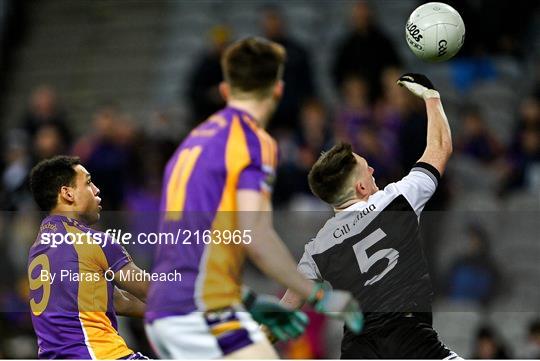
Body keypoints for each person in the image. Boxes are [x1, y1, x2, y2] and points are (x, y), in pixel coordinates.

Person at [144, 37, 362, 359]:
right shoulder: (252, 142)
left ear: (224, 90)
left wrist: (248, 300)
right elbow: (256, 236)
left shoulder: (191, 143)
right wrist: (319, 297)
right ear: (278, 89)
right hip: (200, 311)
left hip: (166, 308)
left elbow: (188, 243)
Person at [281, 74, 460, 359]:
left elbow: (289, 304)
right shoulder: (396, 199)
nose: (374, 171)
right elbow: (440, 148)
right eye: (368, 169)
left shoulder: (318, 248)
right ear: (361, 186)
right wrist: (431, 97)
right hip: (411, 342)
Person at [27, 156, 149, 359]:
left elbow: (118, 301)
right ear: (67, 193)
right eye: (89, 182)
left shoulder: (37, 249)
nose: (96, 190)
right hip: (97, 354)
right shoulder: (92, 241)